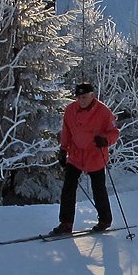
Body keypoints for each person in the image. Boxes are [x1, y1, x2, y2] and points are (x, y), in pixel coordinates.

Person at [51, 82, 120, 235]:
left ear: (92, 96)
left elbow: (114, 132)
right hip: (75, 155)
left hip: (95, 155)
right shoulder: (70, 110)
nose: (81, 100)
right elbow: (66, 131)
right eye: (79, 97)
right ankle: (66, 223)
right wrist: (63, 150)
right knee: (68, 188)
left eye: (84, 97)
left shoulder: (104, 111)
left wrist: (105, 140)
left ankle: (104, 220)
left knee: (98, 189)